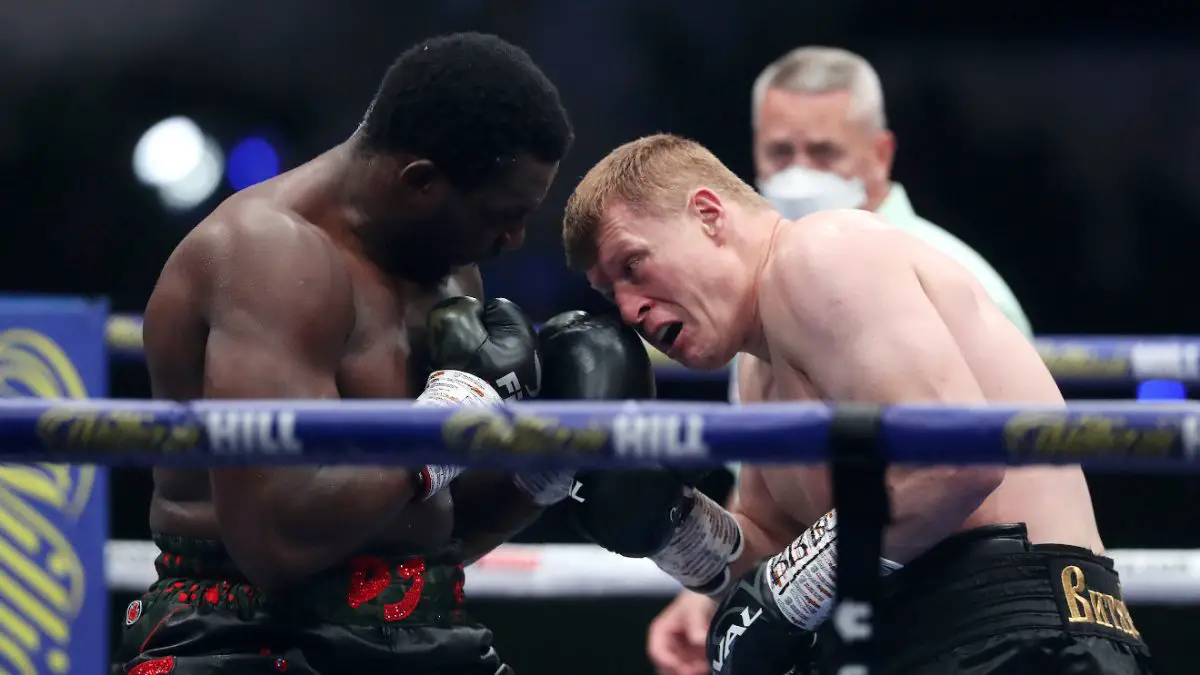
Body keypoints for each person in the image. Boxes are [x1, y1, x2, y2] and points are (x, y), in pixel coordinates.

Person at [117, 33, 656, 675]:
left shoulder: (449, 268)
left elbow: (428, 525)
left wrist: (543, 470)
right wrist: (452, 420)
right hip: (245, 635)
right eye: (502, 214)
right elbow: (276, 543)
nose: (514, 238)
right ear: (420, 181)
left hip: (421, 624)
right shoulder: (269, 258)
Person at [560, 133, 1153, 674]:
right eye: (611, 293)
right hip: (914, 642)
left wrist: (787, 594)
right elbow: (776, 558)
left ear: (708, 214)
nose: (630, 310)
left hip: (1020, 635)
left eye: (632, 266)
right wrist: (675, 527)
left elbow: (955, 461)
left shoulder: (822, 253)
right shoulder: (756, 369)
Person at [649, 46, 1035, 675]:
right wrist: (699, 570)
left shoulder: (956, 274)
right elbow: (773, 507)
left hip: (973, 616)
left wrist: (789, 593)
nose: (800, 173)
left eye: (824, 153)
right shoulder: (758, 301)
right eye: (781, 153)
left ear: (880, 154)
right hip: (852, 623)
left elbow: (995, 482)